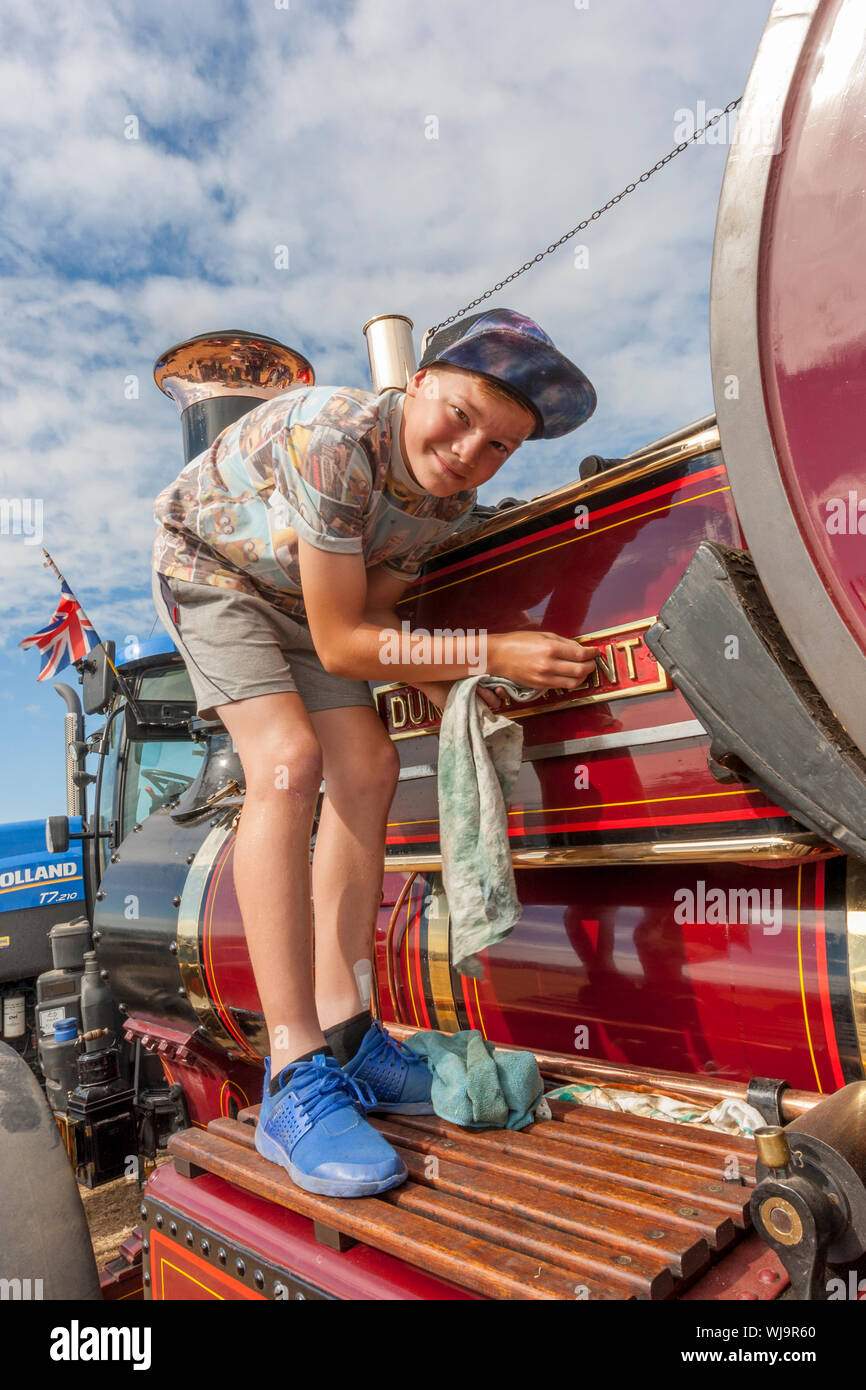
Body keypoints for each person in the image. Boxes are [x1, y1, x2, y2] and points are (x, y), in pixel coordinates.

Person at [151, 307, 598, 1198]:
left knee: (373, 764)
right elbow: (346, 644)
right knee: (287, 759)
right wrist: (491, 652)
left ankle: (351, 1033)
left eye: (501, 446)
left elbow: (375, 621)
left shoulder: (450, 501)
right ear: (418, 383)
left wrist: (454, 696)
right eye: (462, 416)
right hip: (214, 572)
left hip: (306, 603)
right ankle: (293, 1070)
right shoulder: (334, 438)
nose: (472, 453)